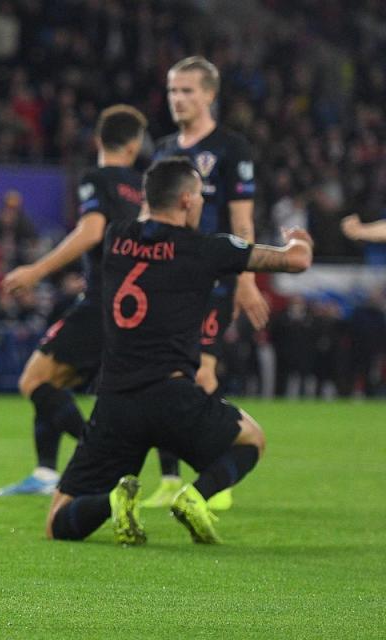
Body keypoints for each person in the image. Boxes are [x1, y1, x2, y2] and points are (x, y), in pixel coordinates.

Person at [46, 157, 313, 545]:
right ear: (187, 200)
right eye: (200, 196)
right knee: (252, 440)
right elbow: (296, 261)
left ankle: (111, 502)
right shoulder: (205, 249)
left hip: (115, 402)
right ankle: (196, 495)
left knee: (57, 522)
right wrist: (299, 240)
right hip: (174, 399)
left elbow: (146, 217)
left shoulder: (116, 239)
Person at [0, 105, 147, 496]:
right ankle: (47, 472)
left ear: (98, 140)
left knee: (34, 380)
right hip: (132, 306)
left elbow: (91, 230)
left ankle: (98, 458)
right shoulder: (142, 188)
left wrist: (37, 271)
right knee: (54, 379)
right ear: (135, 145)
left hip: (100, 303)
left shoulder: (97, 178)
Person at [144, 56, 270, 510]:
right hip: (163, 278)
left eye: (187, 91)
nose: (177, 99)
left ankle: (220, 473)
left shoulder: (232, 149)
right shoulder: (161, 149)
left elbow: (242, 219)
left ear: (210, 95)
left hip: (211, 278)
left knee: (202, 371)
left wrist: (246, 279)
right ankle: (169, 479)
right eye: (173, 91)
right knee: (164, 374)